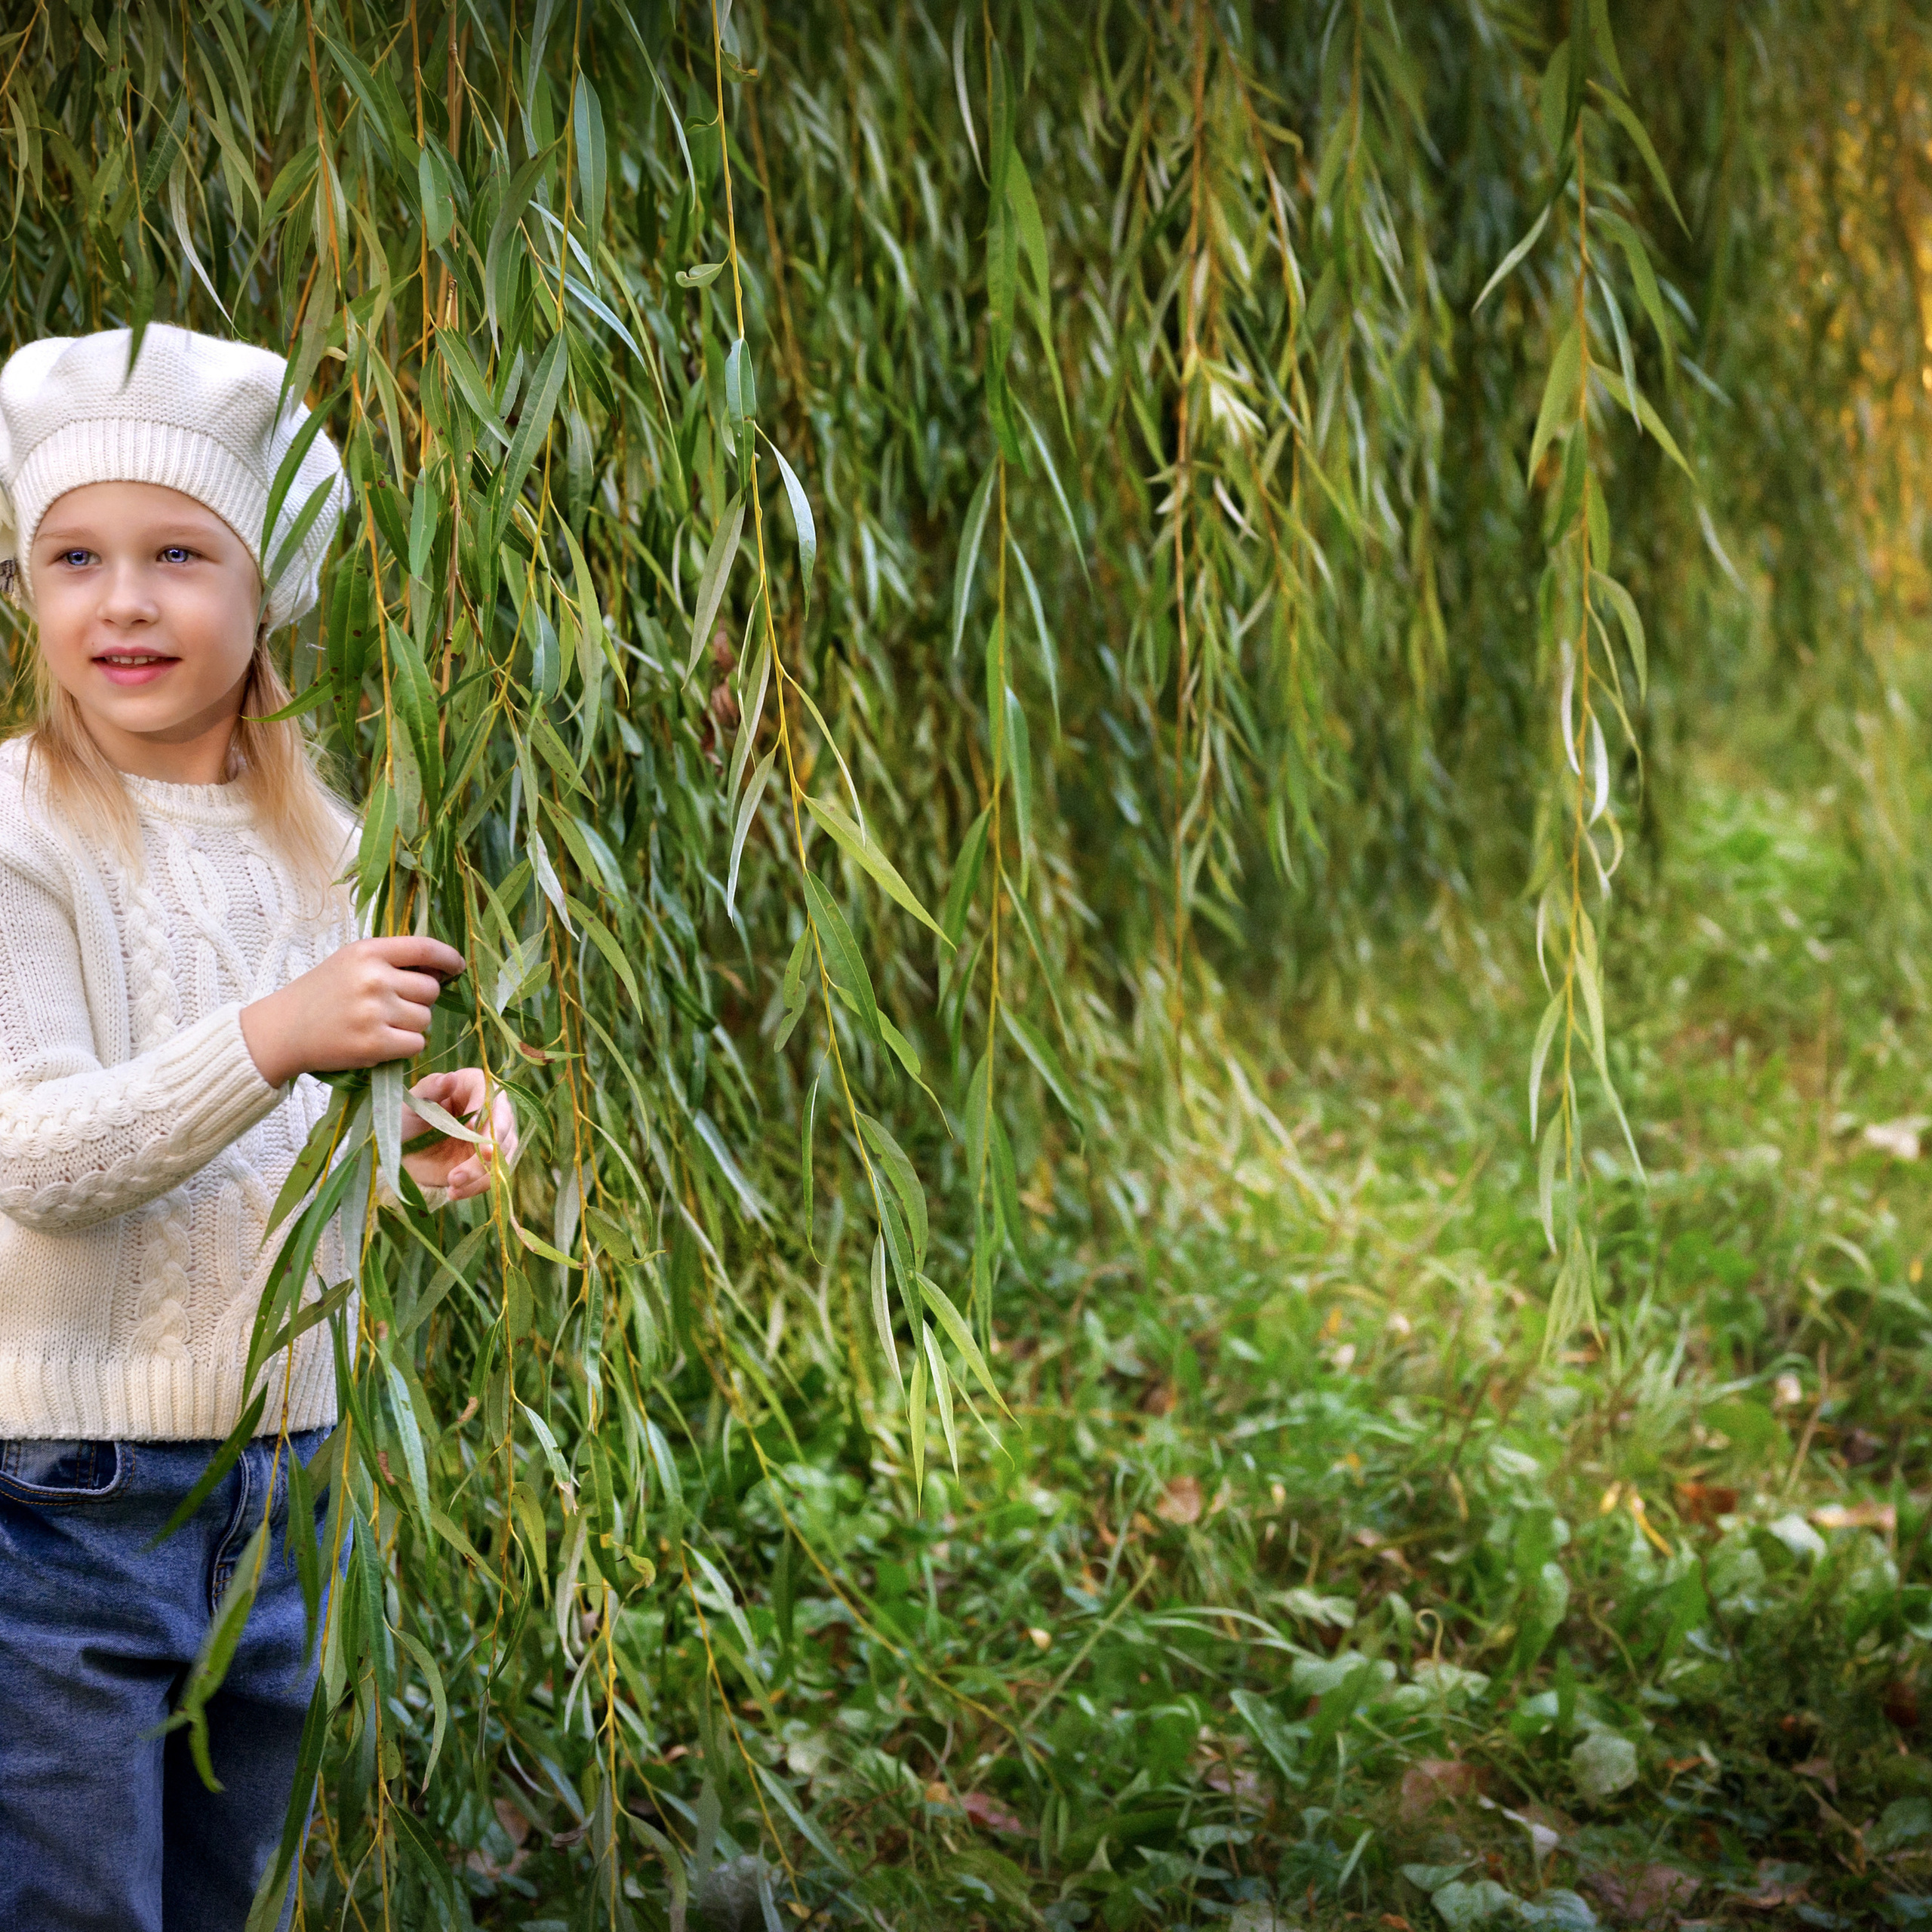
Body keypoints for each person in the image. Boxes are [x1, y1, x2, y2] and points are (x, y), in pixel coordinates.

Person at [0, 324, 515, 1930]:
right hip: (62, 1503)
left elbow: (295, 1143)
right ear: (27, 590)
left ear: (267, 584)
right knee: (81, 1904)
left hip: (291, 1481)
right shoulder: (18, 827)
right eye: (73, 556)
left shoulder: (331, 837)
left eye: (177, 555)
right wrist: (278, 1032)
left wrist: (421, 1134)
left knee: (242, 1898)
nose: (124, 601)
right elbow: (34, 1153)